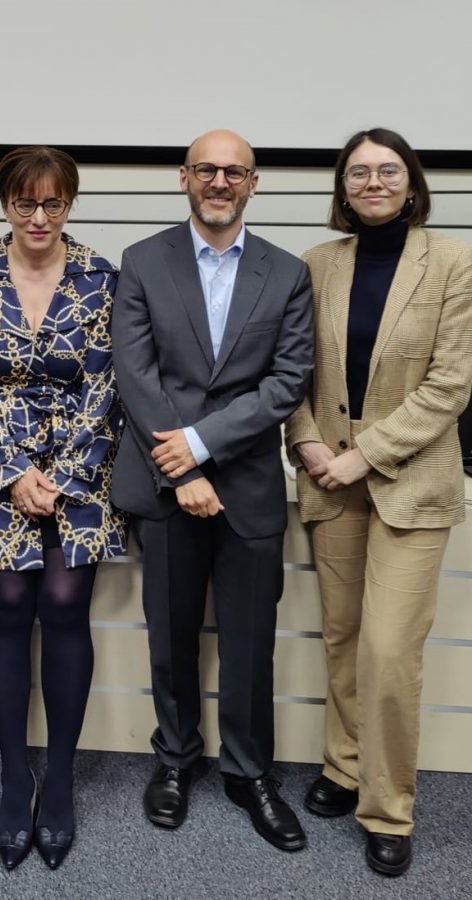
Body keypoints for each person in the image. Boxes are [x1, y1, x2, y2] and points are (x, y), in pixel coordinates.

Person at [110, 129, 314, 852]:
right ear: (184, 178)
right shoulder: (141, 262)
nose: (219, 181)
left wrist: (201, 445)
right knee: (169, 637)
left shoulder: (287, 274)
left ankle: (248, 770)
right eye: (206, 169)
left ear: (253, 183)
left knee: (250, 644)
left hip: (250, 490)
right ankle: (174, 759)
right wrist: (184, 471)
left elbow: (287, 381)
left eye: (234, 171)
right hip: (167, 492)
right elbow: (137, 378)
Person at [285, 128, 472, 877]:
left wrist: (368, 452)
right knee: (343, 636)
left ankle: (388, 807)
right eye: (358, 171)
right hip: (329, 471)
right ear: (342, 186)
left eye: (387, 170)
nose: (372, 182)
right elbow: (291, 371)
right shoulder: (316, 265)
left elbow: (452, 383)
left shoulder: (455, 261)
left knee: (389, 651)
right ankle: (342, 765)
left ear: (411, 181)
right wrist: (307, 445)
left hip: (409, 476)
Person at [0, 146, 126, 870]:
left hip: (82, 469)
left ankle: (62, 783)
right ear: (5, 204)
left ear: (70, 205)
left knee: (63, 604)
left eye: (53, 203)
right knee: (10, 609)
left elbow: (109, 382)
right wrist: (15, 472)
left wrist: (63, 473)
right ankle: (15, 778)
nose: (39, 217)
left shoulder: (103, 278)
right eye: (26, 203)